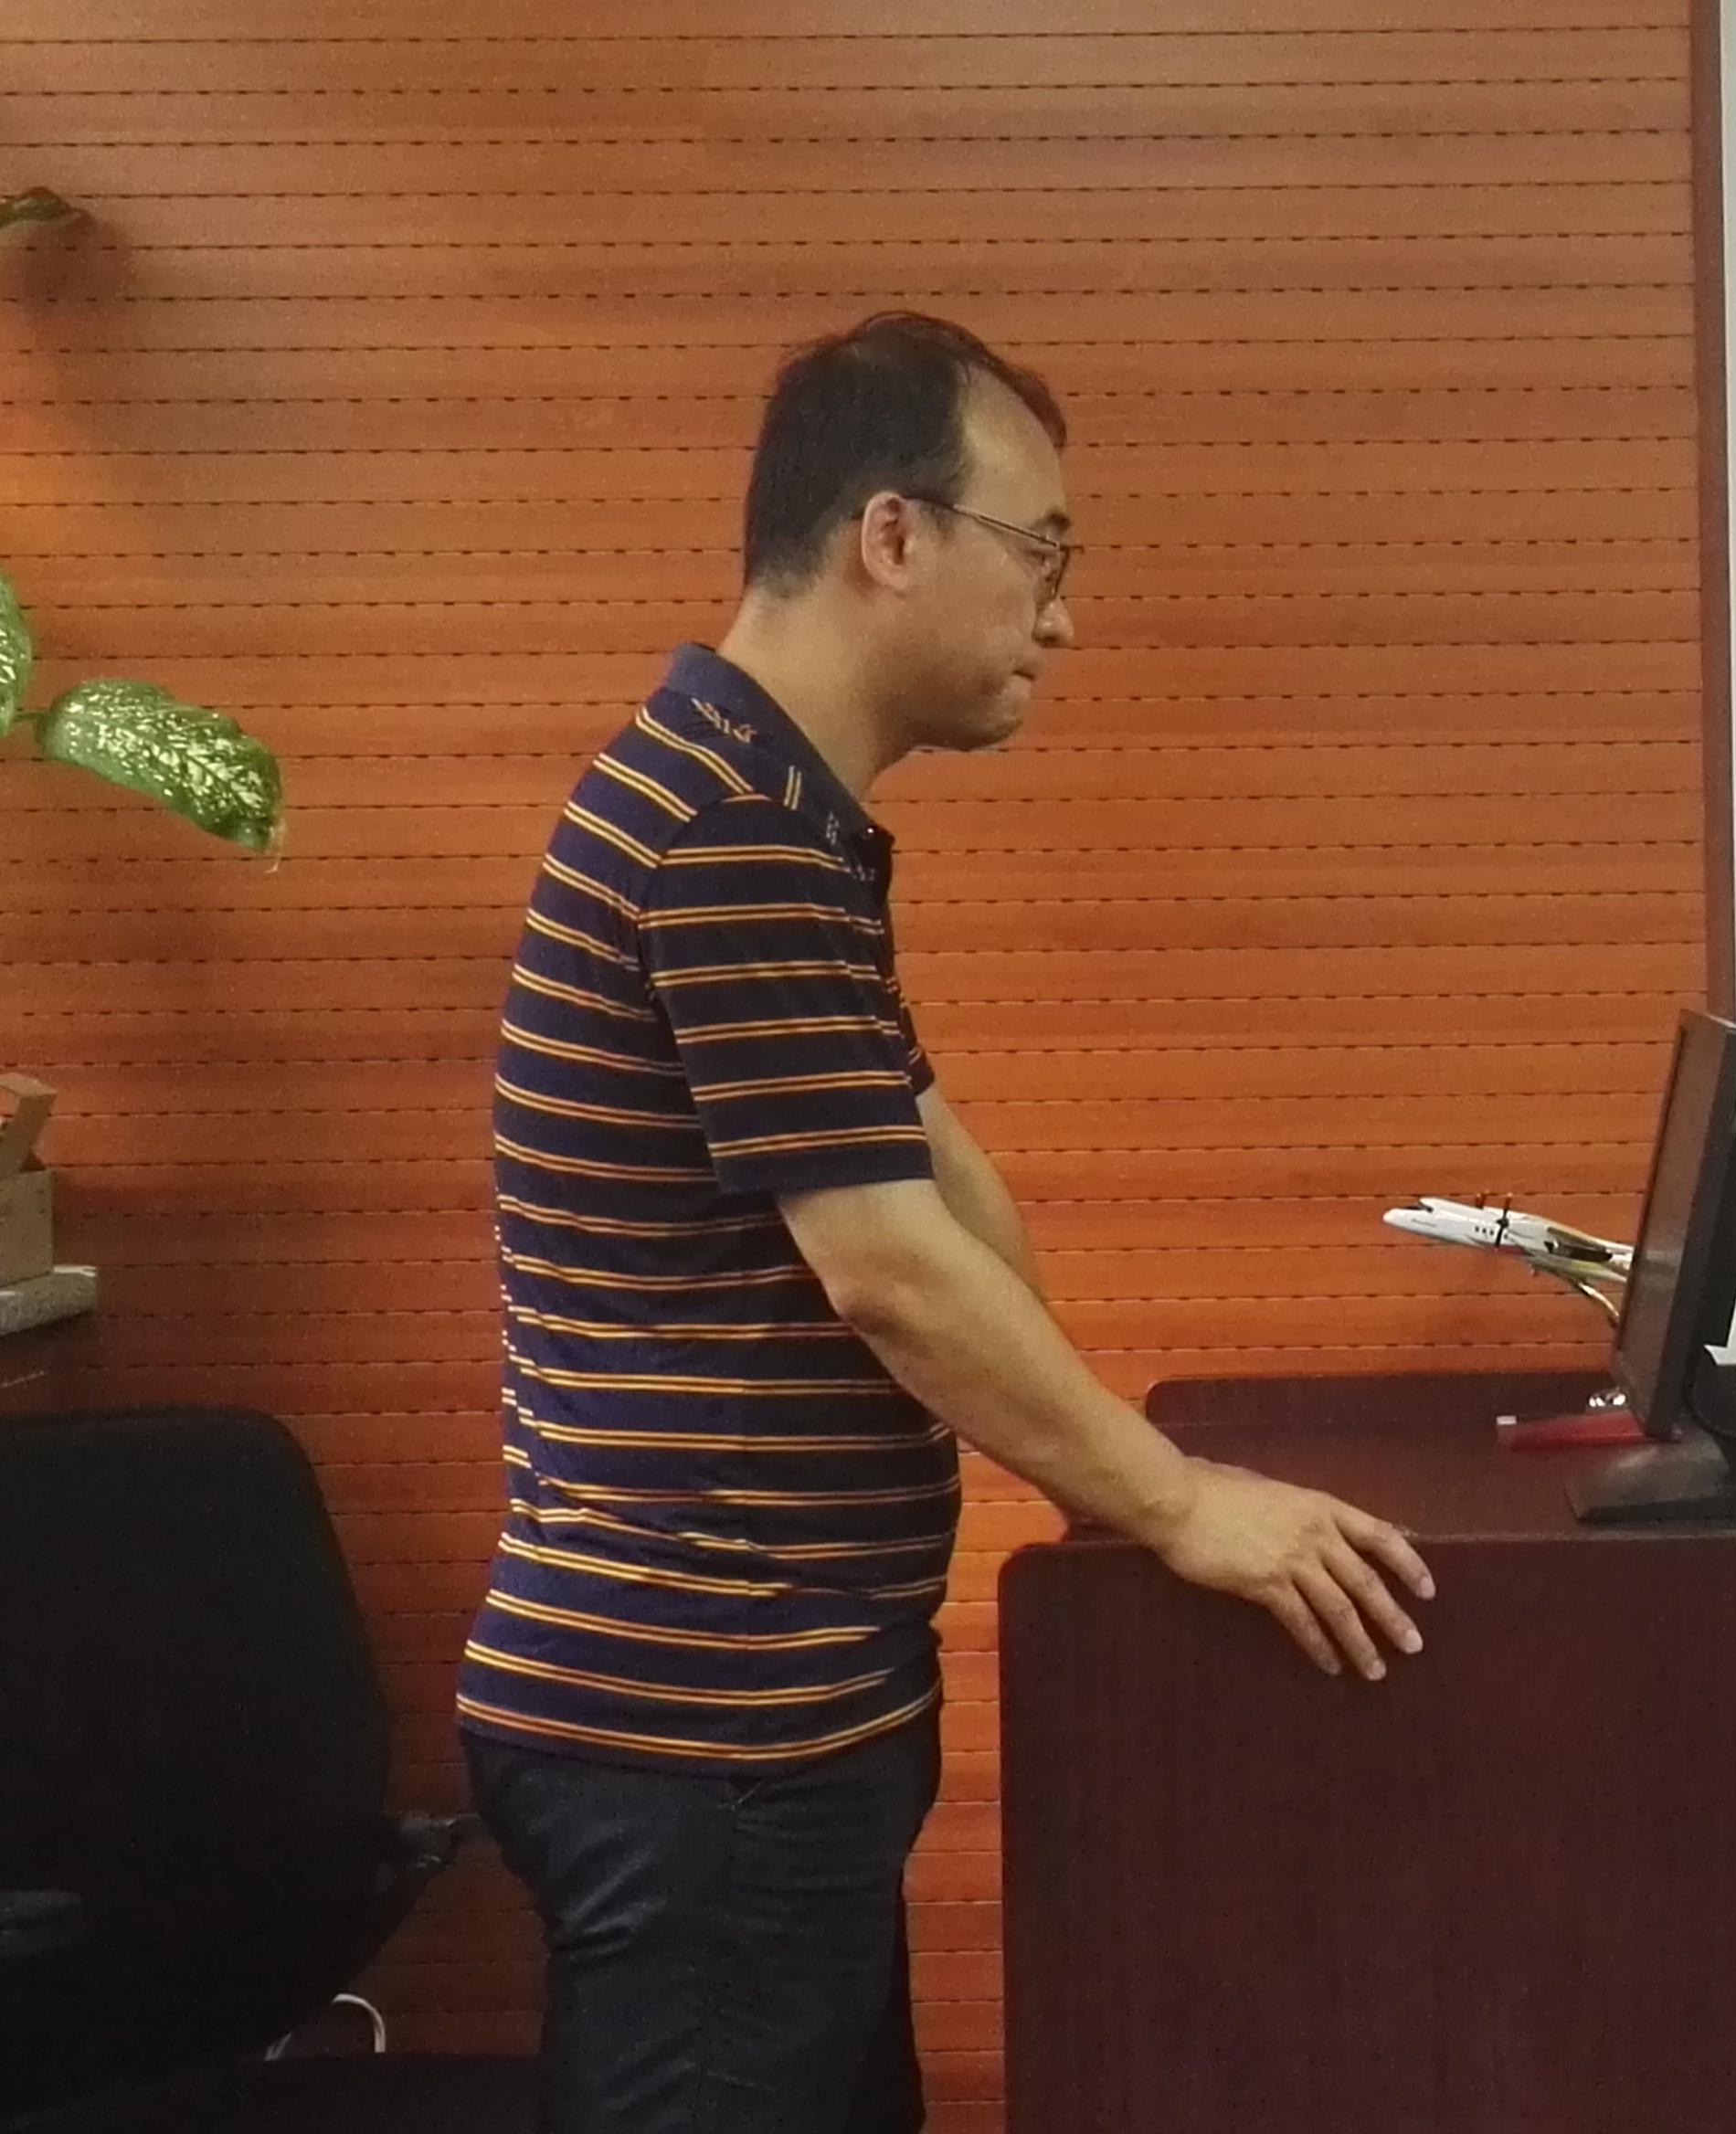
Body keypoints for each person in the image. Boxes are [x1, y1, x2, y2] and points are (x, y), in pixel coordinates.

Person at [456, 312, 1436, 2134]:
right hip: (703, 1721)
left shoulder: (769, 807)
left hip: (760, 1715)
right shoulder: (727, 828)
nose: (1062, 620)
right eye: (1041, 554)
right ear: (892, 536)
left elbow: (939, 1184)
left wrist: (1103, 1474)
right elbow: (889, 1275)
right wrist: (1172, 1502)